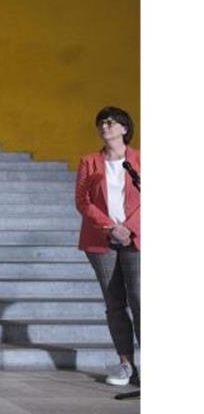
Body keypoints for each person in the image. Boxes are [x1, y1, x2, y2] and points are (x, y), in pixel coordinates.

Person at [75, 106, 140, 387]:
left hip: (137, 238)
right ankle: (125, 364)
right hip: (101, 240)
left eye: (112, 122)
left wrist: (130, 229)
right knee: (114, 302)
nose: (105, 126)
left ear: (125, 128)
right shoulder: (89, 161)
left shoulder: (141, 161)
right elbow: (83, 201)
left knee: (141, 298)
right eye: (102, 122)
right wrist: (112, 227)